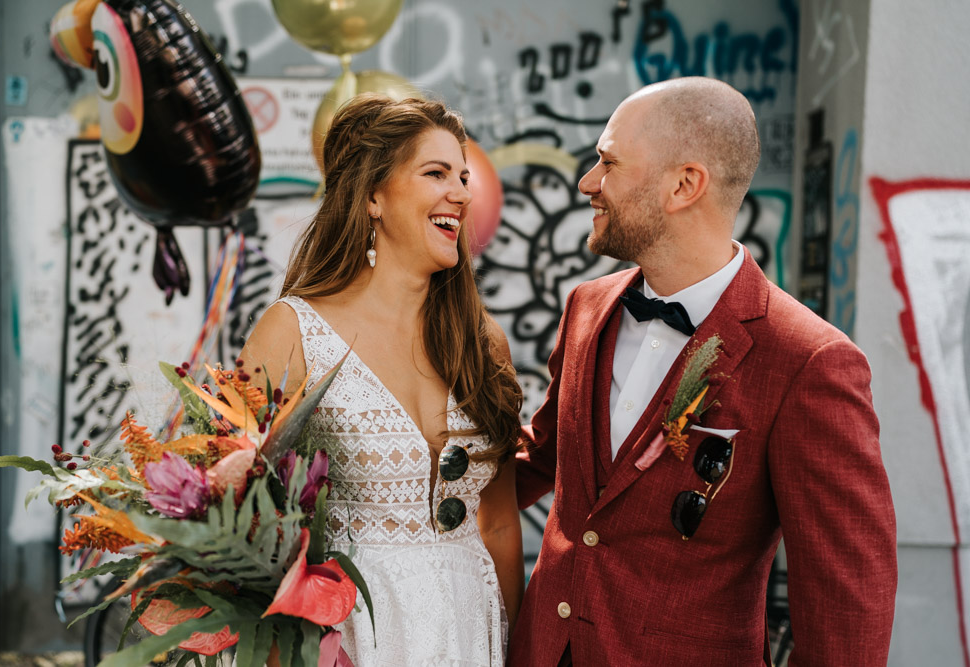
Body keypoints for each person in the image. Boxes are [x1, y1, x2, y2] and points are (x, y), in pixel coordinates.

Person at [508, 77, 897, 666]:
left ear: (685, 185)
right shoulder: (586, 307)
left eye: (608, 162)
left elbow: (848, 606)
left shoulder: (809, 362)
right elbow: (542, 457)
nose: (587, 183)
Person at [240, 93, 524, 665]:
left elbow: (496, 523)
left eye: (464, 177)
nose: (463, 194)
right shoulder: (292, 332)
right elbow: (242, 526)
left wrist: (512, 647)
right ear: (373, 196)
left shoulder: (482, 342)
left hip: (471, 628)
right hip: (352, 637)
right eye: (437, 173)